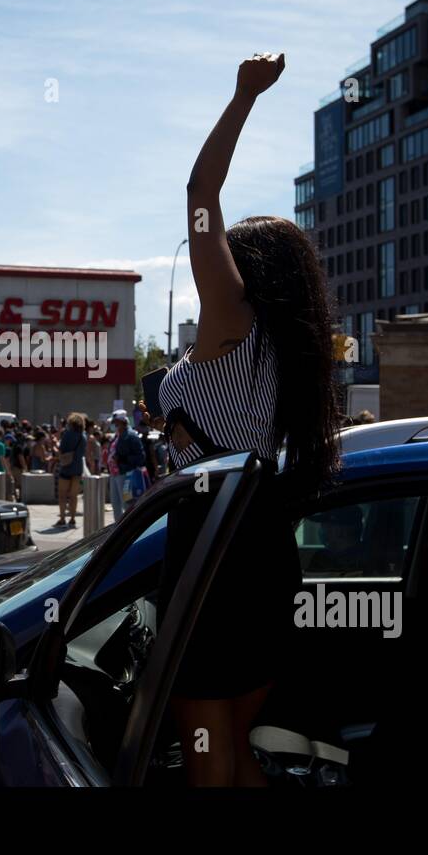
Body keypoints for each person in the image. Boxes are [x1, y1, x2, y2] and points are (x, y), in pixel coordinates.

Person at [155, 52, 341, 787]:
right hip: (262, 563)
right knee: (233, 751)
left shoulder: (232, 321)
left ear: (245, 272)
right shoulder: (289, 356)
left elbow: (201, 191)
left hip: (208, 569)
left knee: (209, 760)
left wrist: (244, 95)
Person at [55, 413, 87, 528]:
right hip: (78, 467)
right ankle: (73, 519)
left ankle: (63, 518)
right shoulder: (83, 436)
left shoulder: (67, 434)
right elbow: (83, 453)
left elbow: (61, 450)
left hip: (66, 467)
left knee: (62, 495)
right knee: (74, 496)